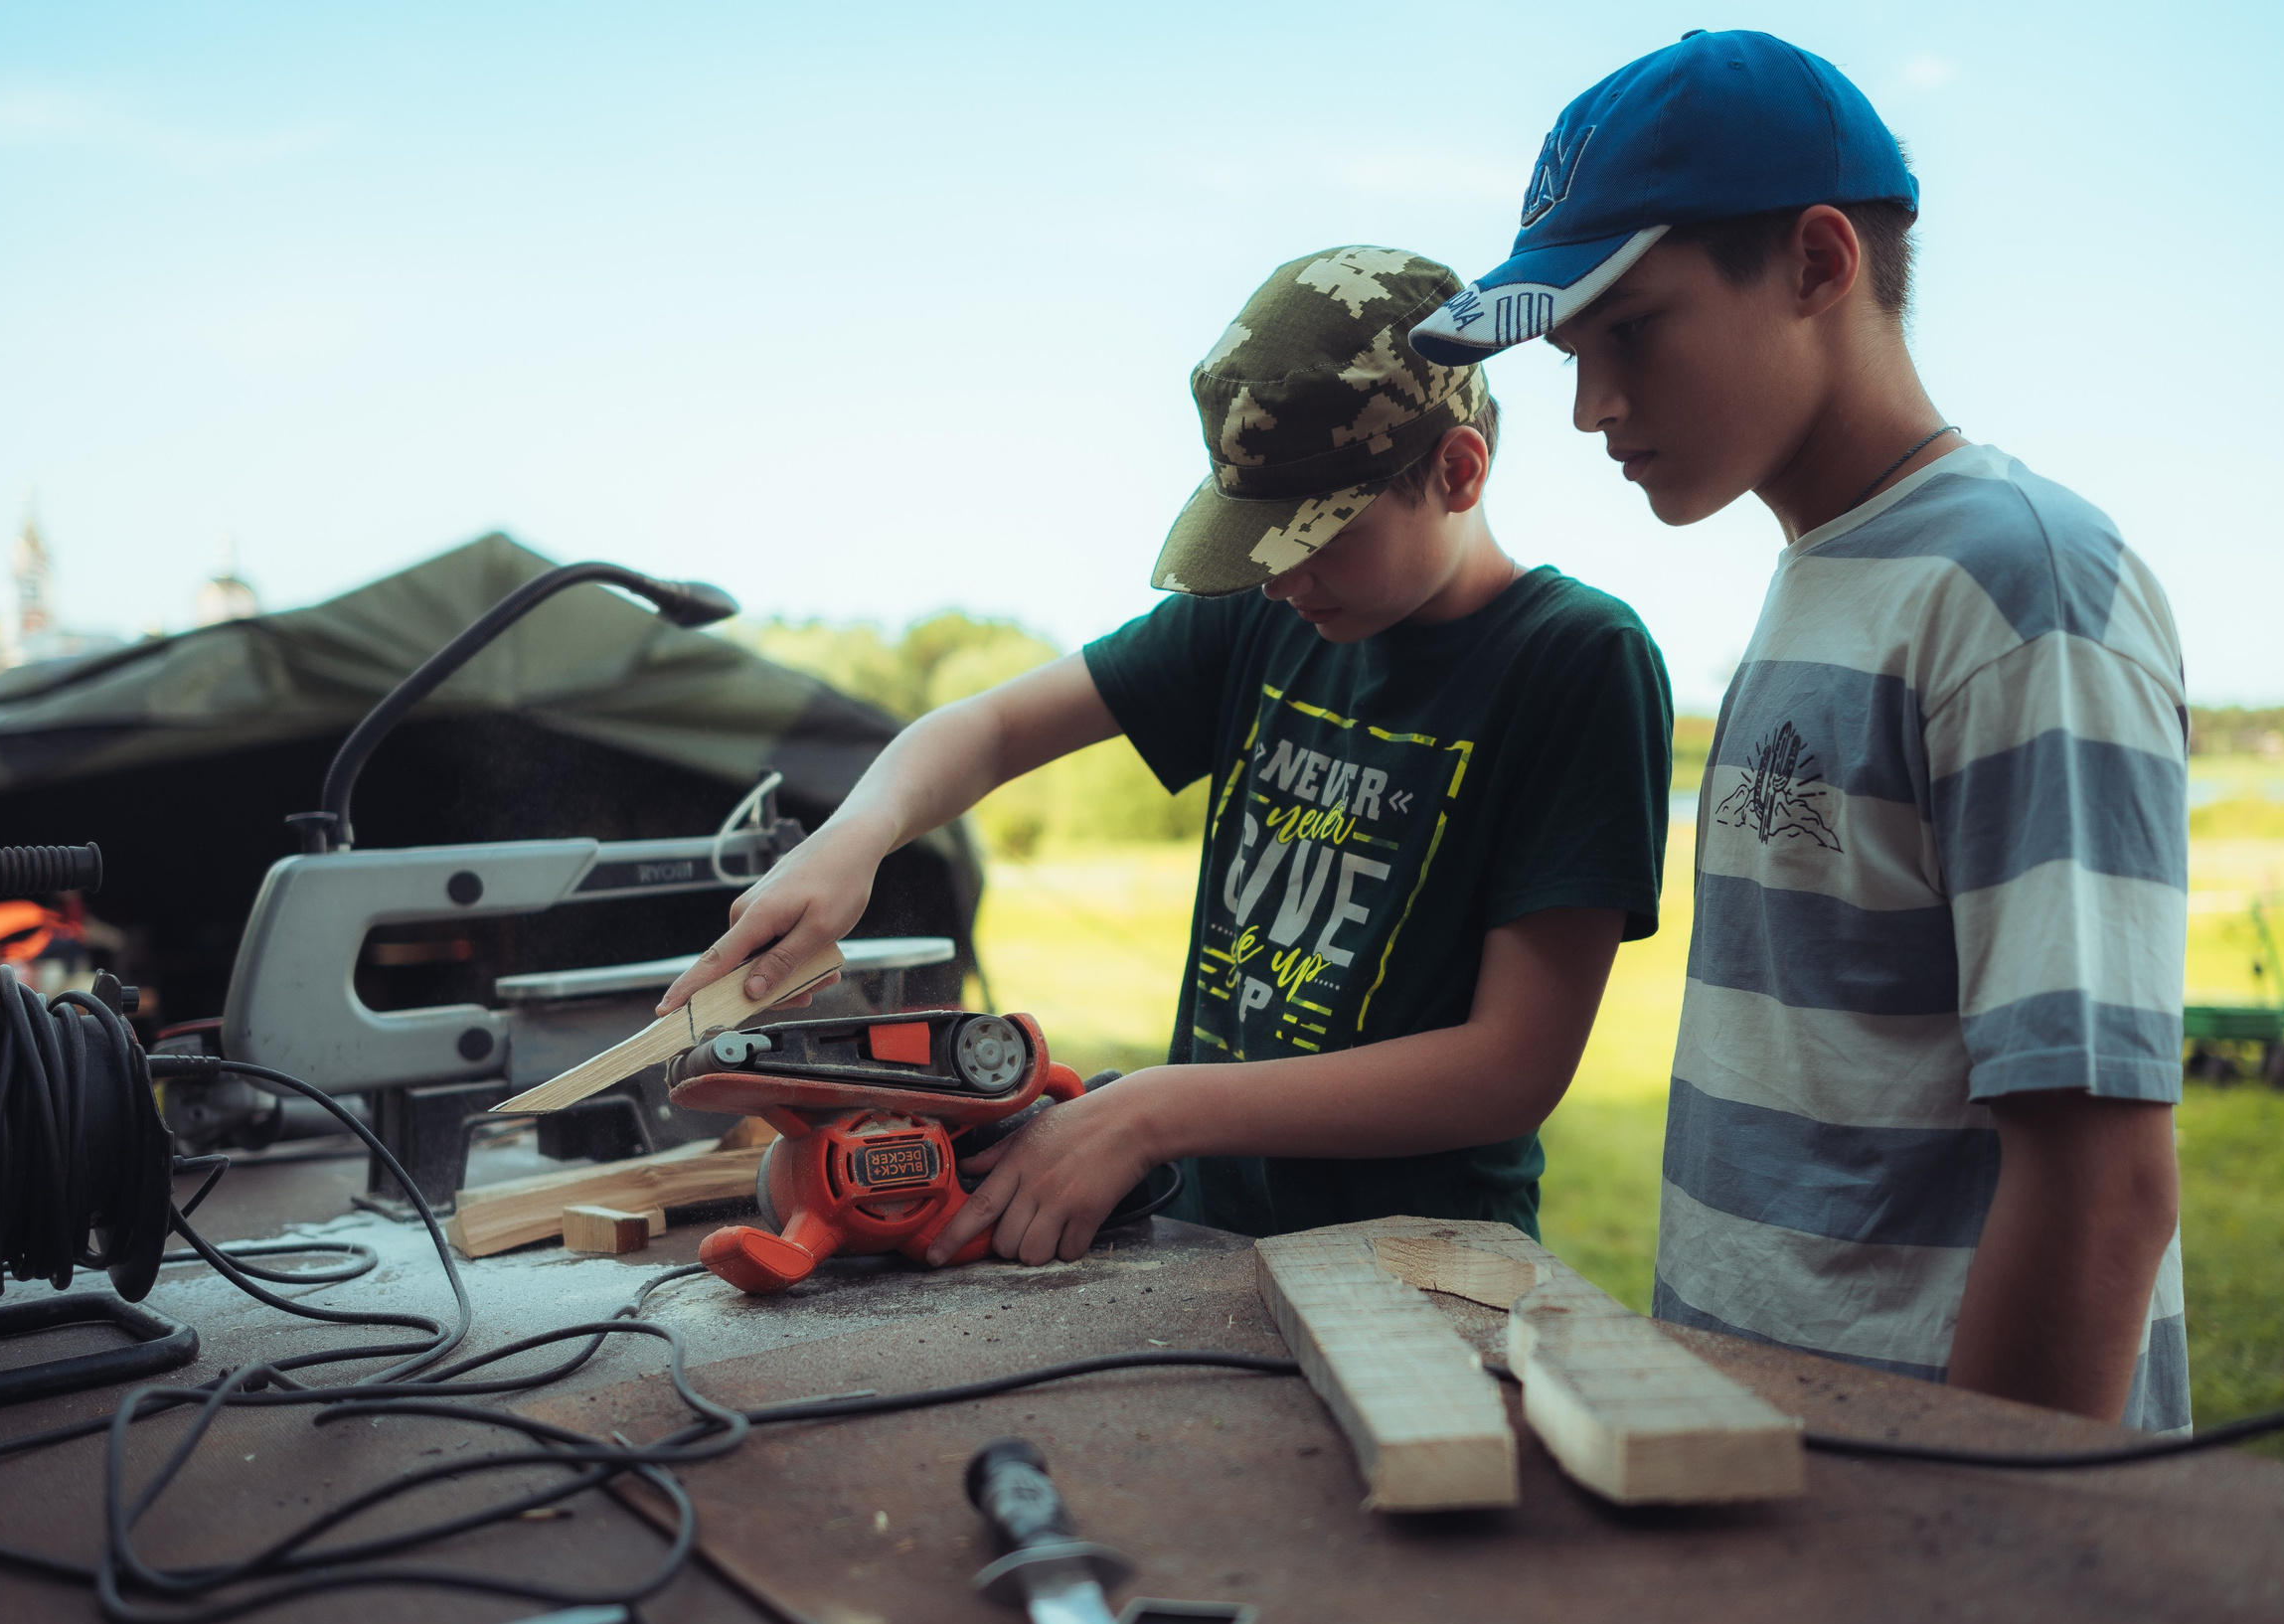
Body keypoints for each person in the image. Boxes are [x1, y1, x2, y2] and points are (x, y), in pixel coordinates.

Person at [1409, 30, 2190, 1429]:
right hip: (1776, 1454)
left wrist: (1978, 1516)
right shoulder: (1826, 571)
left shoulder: (2022, 589)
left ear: (1819, 263)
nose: (1589, 408)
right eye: (1574, 354)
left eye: (1630, 330)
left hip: (1935, 1503)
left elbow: (2102, 1179)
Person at [660, 245, 1673, 1264]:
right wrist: (857, 836)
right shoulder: (1272, 619)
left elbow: (1509, 1069)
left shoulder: (1575, 659)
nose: (1277, 578)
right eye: (1254, 540)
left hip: (1423, 1266)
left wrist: (1151, 1113)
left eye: (1314, 536)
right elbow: (992, 728)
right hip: (1207, 1239)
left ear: (1457, 471)